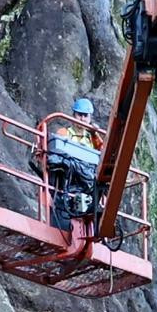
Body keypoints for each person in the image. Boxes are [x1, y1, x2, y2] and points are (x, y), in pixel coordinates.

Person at [44, 94, 105, 236]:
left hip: (85, 179)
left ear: (90, 118)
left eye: (85, 116)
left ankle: (94, 214)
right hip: (68, 177)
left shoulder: (92, 138)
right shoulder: (65, 132)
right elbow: (57, 151)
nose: (82, 119)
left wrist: (95, 134)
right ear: (74, 115)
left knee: (99, 184)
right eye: (79, 115)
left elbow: (102, 153)